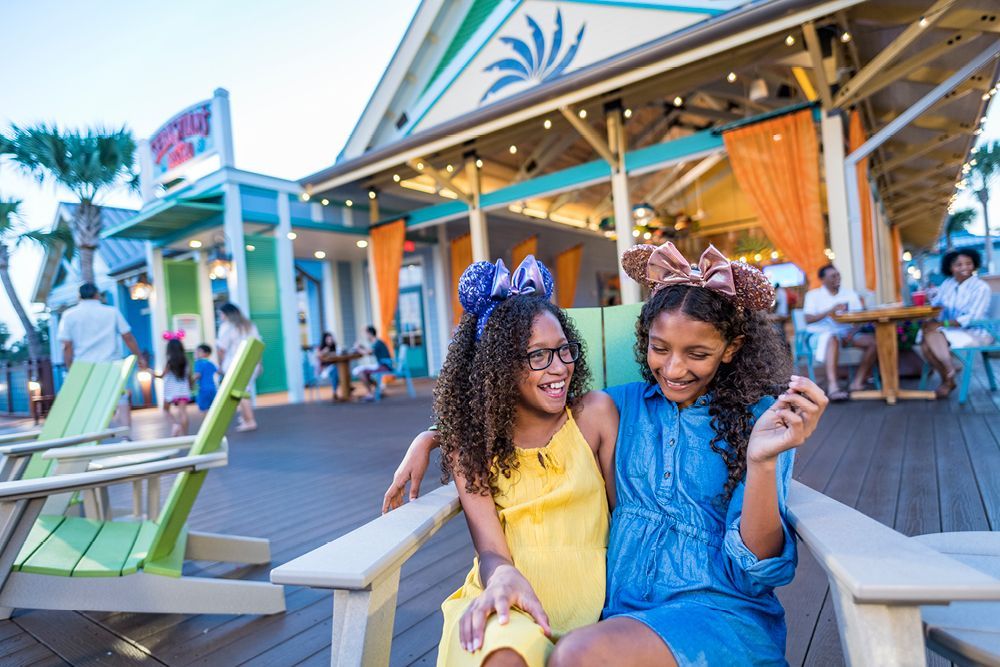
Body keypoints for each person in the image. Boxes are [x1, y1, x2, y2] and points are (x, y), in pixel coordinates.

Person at [386, 244, 828, 667]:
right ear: (644, 340)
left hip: (715, 611)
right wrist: (434, 435)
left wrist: (761, 461)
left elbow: (760, 565)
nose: (674, 369)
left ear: (730, 349)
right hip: (623, 610)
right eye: (660, 348)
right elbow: (516, 414)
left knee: (576, 655)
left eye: (697, 354)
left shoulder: (759, 422)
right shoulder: (622, 406)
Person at [57, 282, 146, 434]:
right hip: (110, 363)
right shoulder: (112, 312)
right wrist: (139, 357)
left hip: (83, 366)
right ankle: (126, 437)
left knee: (86, 403)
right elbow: (128, 336)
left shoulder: (69, 315)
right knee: (121, 399)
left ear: (79, 297)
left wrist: (70, 367)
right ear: (97, 295)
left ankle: (89, 437)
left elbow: (67, 346)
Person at [920, 249, 995, 398]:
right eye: (958, 264)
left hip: (977, 332)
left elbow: (972, 317)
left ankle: (948, 378)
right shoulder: (948, 284)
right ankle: (949, 370)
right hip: (952, 330)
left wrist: (942, 323)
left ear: (974, 264)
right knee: (927, 339)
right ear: (950, 267)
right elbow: (937, 306)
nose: (964, 267)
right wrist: (929, 310)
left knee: (928, 340)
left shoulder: (981, 287)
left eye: (968, 263)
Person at [802, 265, 877, 401]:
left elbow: (860, 316)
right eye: (833, 276)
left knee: (873, 343)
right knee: (833, 339)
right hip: (821, 334)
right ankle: (833, 387)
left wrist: (853, 331)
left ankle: (857, 382)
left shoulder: (849, 294)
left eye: (838, 275)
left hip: (846, 332)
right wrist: (830, 311)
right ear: (823, 279)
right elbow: (808, 319)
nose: (837, 278)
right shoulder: (813, 295)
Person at [216, 302, 261, 432]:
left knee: (240, 393)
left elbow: (222, 349)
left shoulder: (227, 327)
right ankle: (245, 417)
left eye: (221, 314)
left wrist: (220, 365)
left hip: (234, 363)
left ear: (226, 314)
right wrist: (259, 363)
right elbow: (257, 345)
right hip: (251, 362)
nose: (220, 317)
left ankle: (249, 421)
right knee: (244, 390)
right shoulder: (249, 325)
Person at [157, 334, 191, 436]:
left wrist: (150, 372)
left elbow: (161, 376)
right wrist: (190, 386)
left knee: (165, 409)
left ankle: (175, 424)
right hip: (183, 390)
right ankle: (185, 435)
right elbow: (189, 375)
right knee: (183, 412)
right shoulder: (185, 361)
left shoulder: (170, 362)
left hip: (171, 391)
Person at [351, 325, 394, 402]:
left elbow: (368, 353)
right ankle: (378, 390)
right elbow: (369, 351)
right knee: (363, 371)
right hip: (383, 364)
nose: (365, 336)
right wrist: (361, 347)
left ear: (370, 334)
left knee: (361, 372)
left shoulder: (377, 343)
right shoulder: (377, 342)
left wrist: (358, 348)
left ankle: (370, 393)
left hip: (384, 365)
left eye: (365, 334)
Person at [192, 343, 218, 412]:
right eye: (196, 351)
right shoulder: (210, 363)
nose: (196, 353)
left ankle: (207, 419)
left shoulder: (199, 362)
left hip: (203, 390)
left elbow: (197, 375)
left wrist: (190, 382)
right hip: (213, 389)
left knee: (204, 409)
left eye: (199, 351)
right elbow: (218, 371)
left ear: (207, 354)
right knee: (212, 408)